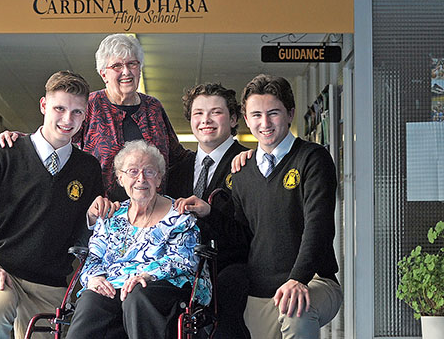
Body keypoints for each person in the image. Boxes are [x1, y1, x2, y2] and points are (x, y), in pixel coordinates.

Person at [0, 71, 104, 339]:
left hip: (49, 281)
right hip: (0, 269)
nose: (67, 119)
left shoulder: (88, 168)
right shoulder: (5, 152)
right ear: (43, 105)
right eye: (59, 108)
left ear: (85, 115)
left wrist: (93, 221)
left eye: (77, 112)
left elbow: (86, 231)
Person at [176, 74, 343, 338]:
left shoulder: (313, 158)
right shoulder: (242, 171)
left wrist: (298, 279)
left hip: (313, 280)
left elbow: (318, 227)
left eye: (273, 113)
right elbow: (243, 236)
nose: (264, 123)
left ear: (290, 113)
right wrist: (210, 213)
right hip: (259, 292)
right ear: (245, 118)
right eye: (256, 115)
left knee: (296, 313)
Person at [0, 34, 190, 201]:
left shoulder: (153, 107)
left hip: (152, 214)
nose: (126, 72)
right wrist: (20, 139)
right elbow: (58, 139)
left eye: (132, 64)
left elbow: (177, 157)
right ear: (103, 74)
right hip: (101, 215)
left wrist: (216, 154)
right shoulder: (91, 105)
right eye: (117, 66)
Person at [66, 140, 211, 339]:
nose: (141, 178)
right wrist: (94, 278)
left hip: (164, 287)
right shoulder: (111, 216)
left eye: (149, 172)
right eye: (132, 171)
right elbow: (94, 257)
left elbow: (184, 260)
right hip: (115, 286)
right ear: (120, 178)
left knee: (137, 295)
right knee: (91, 299)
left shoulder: (179, 216)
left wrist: (147, 275)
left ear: (159, 178)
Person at [166, 82, 251, 338]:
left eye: (216, 112)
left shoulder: (250, 164)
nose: (206, 120)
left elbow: (252, 233)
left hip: (229, 267)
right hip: (184, 267)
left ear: (234, 118)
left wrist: (210, 213)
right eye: (198, 114)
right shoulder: (176, 171)